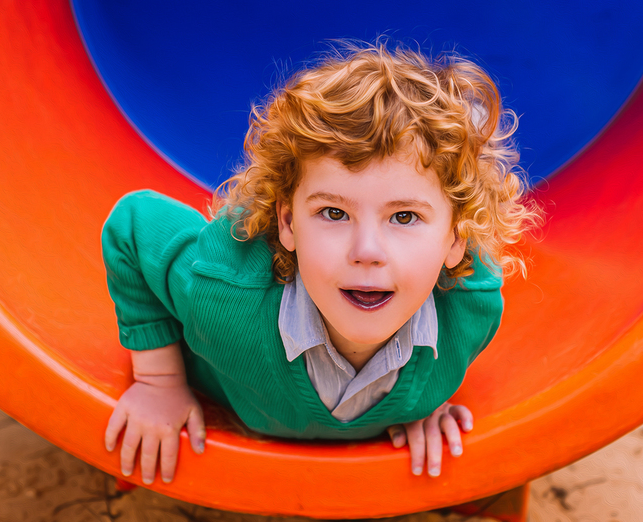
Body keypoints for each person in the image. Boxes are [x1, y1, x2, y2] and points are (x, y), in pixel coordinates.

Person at [101, 43, 538, 485]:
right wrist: (159, 381)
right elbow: (133, 224)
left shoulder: (470, 309)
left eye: (404, 217)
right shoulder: (224, 293)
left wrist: (428, 403)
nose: (367, 250)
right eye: (334, 213)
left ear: (456, 240)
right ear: (288, 223)